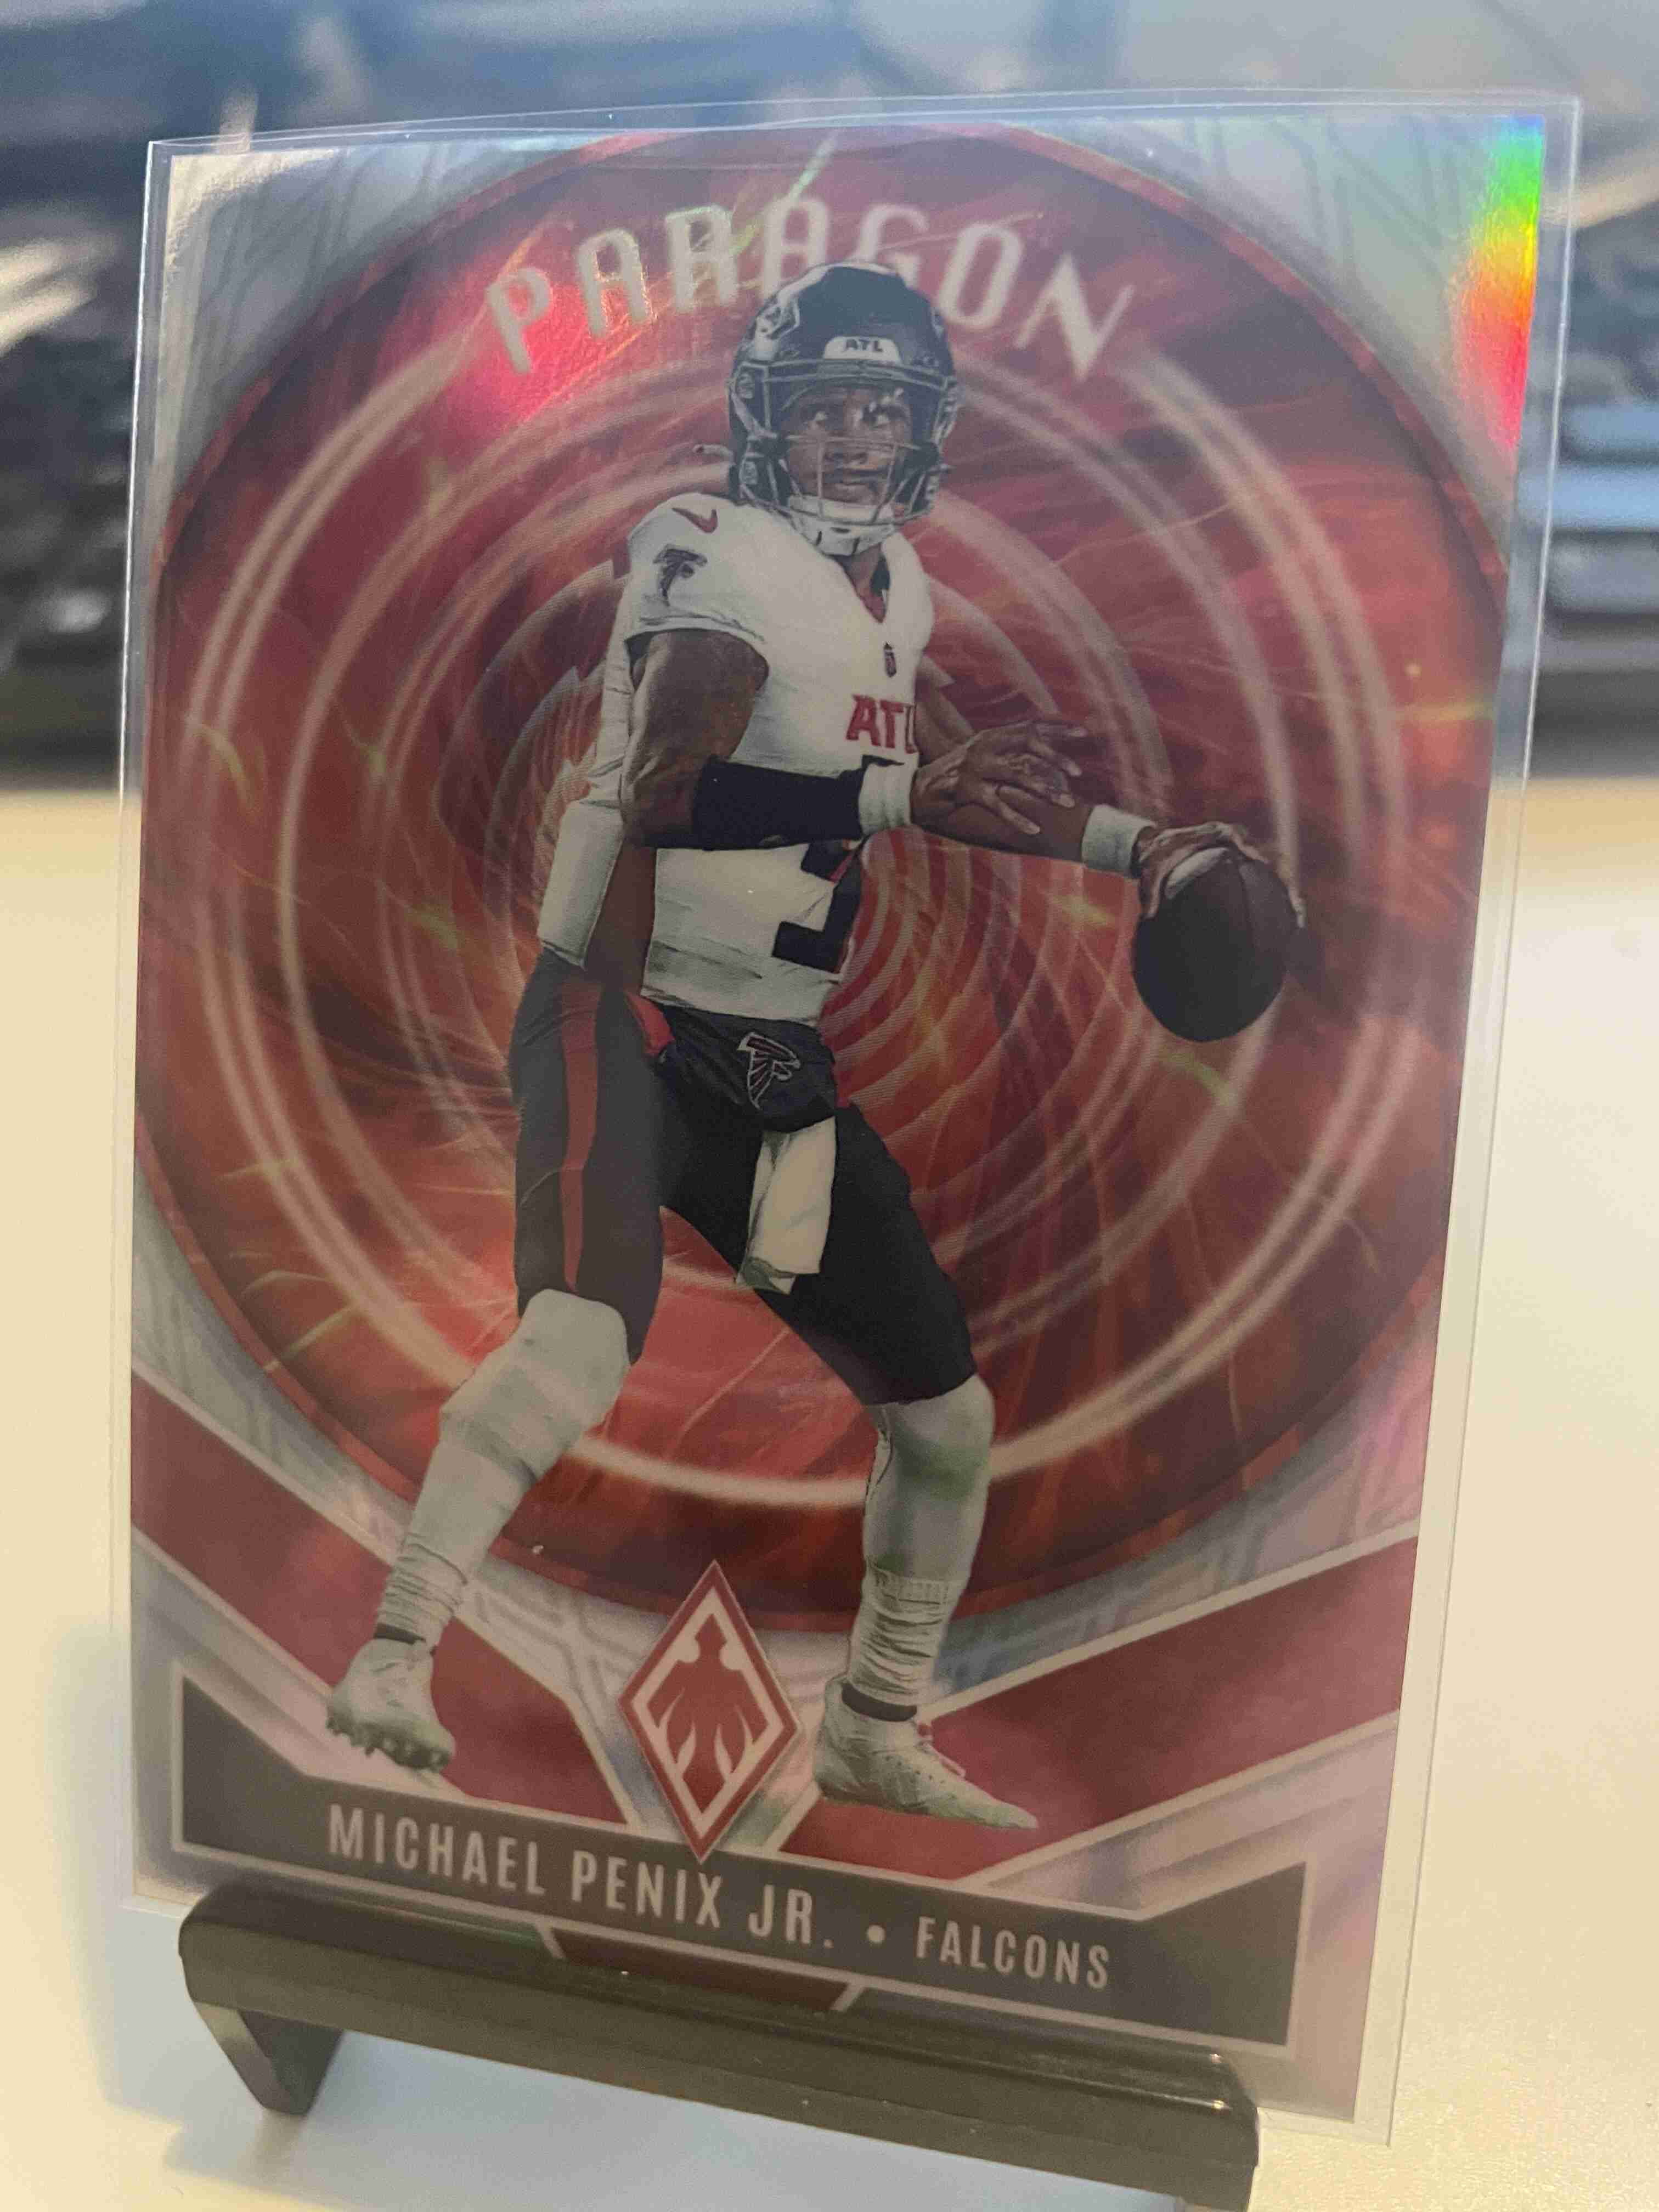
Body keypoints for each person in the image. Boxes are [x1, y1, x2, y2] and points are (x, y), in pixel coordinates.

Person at [329, 261, 1268, 1827]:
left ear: (925, 430)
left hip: (771, 1057)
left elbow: (949, 770)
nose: (853, 439)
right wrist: (899, 798)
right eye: (827, 408)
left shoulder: (900, 585)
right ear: (767, 422)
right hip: (626, 1011)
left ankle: (874, 1725)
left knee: (945, 1423)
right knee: (576, 1345)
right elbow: (666, 790)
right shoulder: (714, 550)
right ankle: (395, 1654)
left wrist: (1142, 846)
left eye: (881, 413)